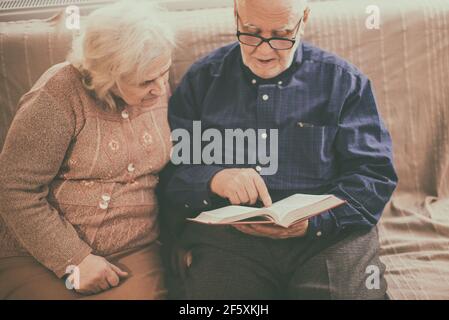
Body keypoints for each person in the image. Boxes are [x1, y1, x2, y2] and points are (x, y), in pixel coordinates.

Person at [162, 0, 398, 299]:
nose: (264, 50)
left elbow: (374, 176)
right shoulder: (203, 80)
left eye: (281, 35)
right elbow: (169, 173)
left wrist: (315, 224)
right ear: (235, 15)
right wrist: (213, 178)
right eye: (250, 32)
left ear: (305, 19)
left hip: (328, 236)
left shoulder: (344, 83)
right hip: (231, 241)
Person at [0, 1, 174, 299]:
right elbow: (13, 187)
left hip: (131, 252)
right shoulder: (59, 93)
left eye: (165, 72)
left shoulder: (156, 90)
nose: (160, 88)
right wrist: (73, 259)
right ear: (108, 74)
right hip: (38, 253)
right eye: (146, 81)